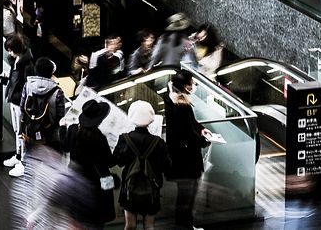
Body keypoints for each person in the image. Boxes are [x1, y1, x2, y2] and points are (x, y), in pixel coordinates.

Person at [165, 70, 211, 230]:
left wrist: (201, 129)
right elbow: (187, 132)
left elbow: (191, 123)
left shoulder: (172, 100)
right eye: (192, 83)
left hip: (179, 156)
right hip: (187, 158)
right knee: (188, 194)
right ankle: (186, 225)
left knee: (184, 193)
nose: (194, 85)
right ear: (186, 87)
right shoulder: (181, 106)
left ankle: (183, 224)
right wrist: (204, 141)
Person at [113, 101, 170, 230]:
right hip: (151, 189)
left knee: (130, 225)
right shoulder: (158, 142)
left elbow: (119, 161)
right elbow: (166, 166)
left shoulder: (125, 139)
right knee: (149, 226)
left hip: (129, 188)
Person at [64, 99, 115, 229]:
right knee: (96, 223)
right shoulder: (99, 138)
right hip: (96, 185)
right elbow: (109, 162)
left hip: (75, 181)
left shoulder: (72, 129)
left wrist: (61, 128)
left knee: (77, 219)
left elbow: (65, 148)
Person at [1, 35, 34, 177]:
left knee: (21, 132)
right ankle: (18, 156)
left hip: (20, 102)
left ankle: (23, 162)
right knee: (17, 130)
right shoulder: (17, 60)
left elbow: (28, 86)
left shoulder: (26, 65)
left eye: (10, 50)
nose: (9, 53)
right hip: (15, 99)